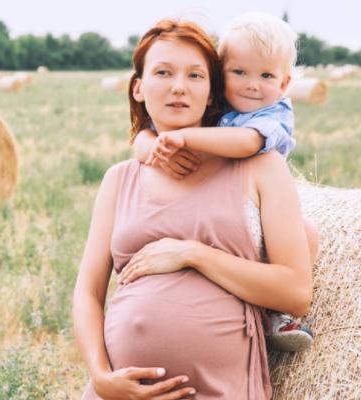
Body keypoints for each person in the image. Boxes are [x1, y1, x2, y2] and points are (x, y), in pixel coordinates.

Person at [72, 18, 312, 400]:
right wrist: (101, 377)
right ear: (138, 87)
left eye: (195, 75)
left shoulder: (261, 167)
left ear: (212, 92)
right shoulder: (119, 179)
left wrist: (193, 254)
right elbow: (87, 292)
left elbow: (296, 293)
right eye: (163, 72)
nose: (179, 87)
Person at [131, 12, 318, 352]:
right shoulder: (219, 107)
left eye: (266, 75)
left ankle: (276, 314)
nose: (252, 84)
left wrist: (185, 139)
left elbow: (246, 143)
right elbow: (146, 134)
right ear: (221, 77)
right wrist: (149, 148)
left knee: (307, 237)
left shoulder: (271, 114)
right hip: (226, 211)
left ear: (284, 83)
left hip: (261, 215)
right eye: (239, 72)